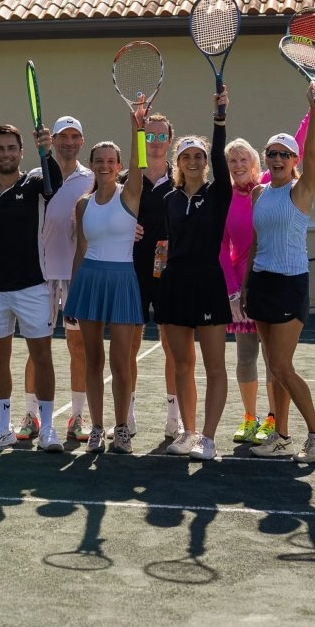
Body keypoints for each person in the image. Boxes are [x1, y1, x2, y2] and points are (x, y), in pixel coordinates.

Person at [241, 84, 315, 462]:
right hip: (262, 283)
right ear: (266, 159)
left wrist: (314, 109)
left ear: (294, 160)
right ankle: (281, 435)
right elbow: (254, 244)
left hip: (290, 284)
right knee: (272, 366)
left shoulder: (303, 189)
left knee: (282, 365)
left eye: (285, 154)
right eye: (272, 154)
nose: (278, 158)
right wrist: (247, 286)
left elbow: (313, 150)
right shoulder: (258, 194)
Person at [0, 122, 64, 452]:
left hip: (33, 286)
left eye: (12, 148)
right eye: (0, 148)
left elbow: (57, 181)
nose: (6, 153)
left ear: (21, 152)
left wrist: (47, 149)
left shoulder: (36, 182)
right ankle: (2, 427)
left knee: (42, 358)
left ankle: (48, 428)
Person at [220, 113, 311, 446]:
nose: (238, 164)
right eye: (232, 160)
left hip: (278, 284)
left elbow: (296, 148)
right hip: (246, 291)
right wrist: (234, 292)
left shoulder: (268, 187)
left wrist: (312, 109)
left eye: (244, 158)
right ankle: (249, 418)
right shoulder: (226, 198)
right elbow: (222, 250)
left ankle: (275, 422)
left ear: (255, 161)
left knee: (278, 363)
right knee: (246, 357)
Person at [156, 88, 232, 461]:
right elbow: (161, 244)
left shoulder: (219, 194)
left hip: (208, 284)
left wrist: (219, 118)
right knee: (182, 364)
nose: (193, 160)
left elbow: (220, 154)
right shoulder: (168, 199)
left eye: (198, 156)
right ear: (178, 161)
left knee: (214, 365)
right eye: (186, 156)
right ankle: (188, 432)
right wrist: (156, 283)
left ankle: (209, 437)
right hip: (174, 285)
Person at [65, 109, 144, 454]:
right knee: (93, 359)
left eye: (112, 161)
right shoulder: (82, 205)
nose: (105, 166)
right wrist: (72, 293)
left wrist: (137, 128)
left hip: (122, 280)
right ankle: (97, 428)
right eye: (99, 160)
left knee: (122, 361)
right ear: (92, 163)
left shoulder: (129, 194)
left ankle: (122, 427)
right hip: (89, 283)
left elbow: (140, 165)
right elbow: (81, 250)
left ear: (119, 164)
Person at [20, 115, 93, 443]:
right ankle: (31, 415)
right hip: (40, 275)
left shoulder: (90, 178)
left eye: (74, 136)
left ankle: (77, 417)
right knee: (38, 350)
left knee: (79, 348)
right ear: (54, 141)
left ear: (81, 142)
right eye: (63, 136)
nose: (68, 141)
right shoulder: (35, 176)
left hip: (77, 277)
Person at [125, 112, 182, 439]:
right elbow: (107, 211)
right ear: (142, 139)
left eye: (162, 137)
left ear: (169, 141)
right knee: (129, 345)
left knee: (172, 346)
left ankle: (174, 417)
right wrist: (124, 226)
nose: (156, 142)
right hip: (132, 269)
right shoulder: (127, 179)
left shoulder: (181, 179)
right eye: (150, 136)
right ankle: (127, 414)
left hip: (169, 271)